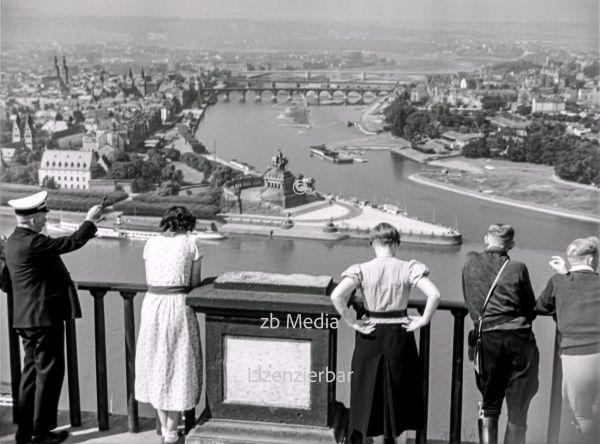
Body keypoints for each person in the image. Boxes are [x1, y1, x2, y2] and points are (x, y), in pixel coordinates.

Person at [4, 191, 103, 444]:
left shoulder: (13, 242)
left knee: (30, 376)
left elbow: (14, 280)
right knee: (48, 375)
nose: (46, 219)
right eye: (43, 215)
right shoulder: (34, 243)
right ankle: (41, 433)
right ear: (33, 218)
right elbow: (71, 243)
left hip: (24, 318)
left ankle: (24, 432)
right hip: (44, 320)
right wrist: (90, 220)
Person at [330, 222, 440, 444]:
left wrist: (352, 322)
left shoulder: (361, 269)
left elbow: (336, 296)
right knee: (400, 394)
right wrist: (423, 320)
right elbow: (434, 294)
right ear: (396, 243)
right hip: (399, 335)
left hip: (370, 334)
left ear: (373, 243)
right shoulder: (408, 268)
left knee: (369, 392)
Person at [462, 223, 538, 444]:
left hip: (487, 340)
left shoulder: (470, 261)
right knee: (518, 406)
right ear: (511, 245)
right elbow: (530, 307)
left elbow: (470, 299)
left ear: (487, 239)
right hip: (519, 340)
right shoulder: (518, 268)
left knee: (489, 403)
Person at [135, 206, 203, 443]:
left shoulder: (150, 243)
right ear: (188, 224)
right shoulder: (191, 244)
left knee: (154, 361)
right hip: (177, 304)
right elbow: (194, 282)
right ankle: (173, 431)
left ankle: (166, 429)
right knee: (178, 362)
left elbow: (149, 279)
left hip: (153, 303)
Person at [536, 236, 600, 441]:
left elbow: (541, 306)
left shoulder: (558, 281)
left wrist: (565, 275)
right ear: (591, 260)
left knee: (581, 416)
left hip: (575, 357)